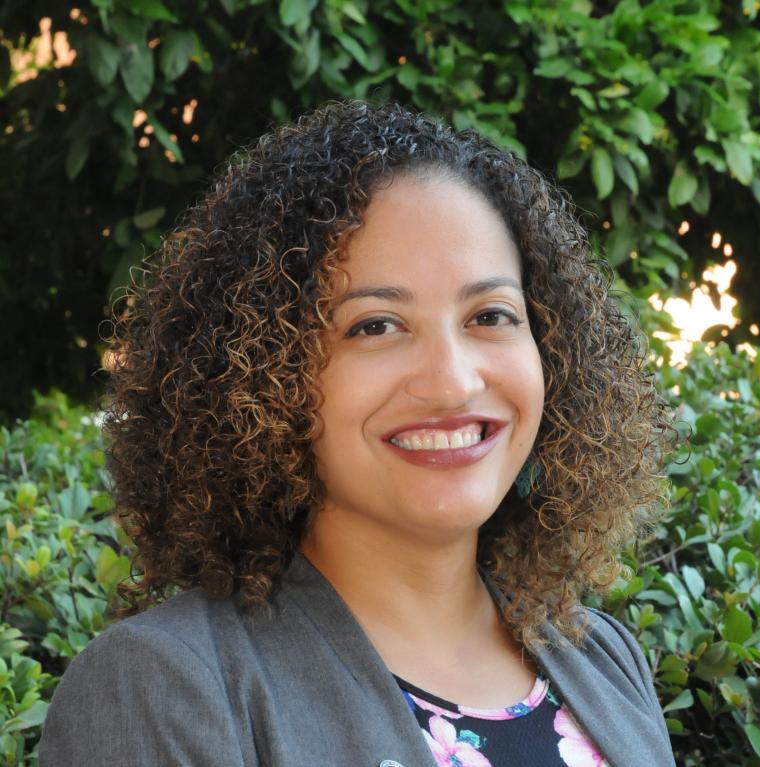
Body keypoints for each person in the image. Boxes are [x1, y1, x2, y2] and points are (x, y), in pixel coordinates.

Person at [40, 101, 675, 767]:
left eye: (490, 314)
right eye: (374, 325)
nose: (453, 381)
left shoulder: (601, 655)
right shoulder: (165, 687)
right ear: (263, 371)